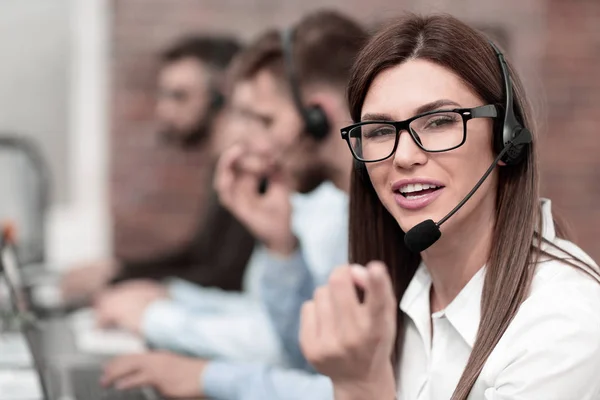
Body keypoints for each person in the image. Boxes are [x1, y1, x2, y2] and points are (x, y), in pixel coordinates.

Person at [299, 13, 600, 400]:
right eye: (378, 131)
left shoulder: (562, 323)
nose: (404, 156)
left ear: (507, 139)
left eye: (439, 122)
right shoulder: (399, 296)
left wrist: (361, 386)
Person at [100, 10, 367, 400]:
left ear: (317, 118)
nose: (253, 143)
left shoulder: (365, 220)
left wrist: (205, 374)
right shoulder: (324, 207)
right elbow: (306, 351)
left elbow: (351, 385)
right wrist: (281, 250)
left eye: (264, 120)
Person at [60, 35, 255, 305]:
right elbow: (199, 256)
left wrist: (134, 287)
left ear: (220, 99)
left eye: (179, 96)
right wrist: (118, 272)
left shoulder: (250, 169)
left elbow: (227, 278)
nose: (163, 110)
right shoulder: (221, 166)